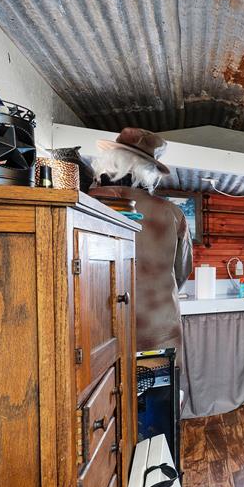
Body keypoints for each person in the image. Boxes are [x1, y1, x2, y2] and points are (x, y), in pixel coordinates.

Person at [90, 128, 192, 356]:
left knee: (104, 390)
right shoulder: (172, 213)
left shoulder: (85, 203)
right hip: (158, 330)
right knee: (159, 387)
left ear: (108, 161)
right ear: (149, 172)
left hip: (97, 334)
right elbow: (182, 271)